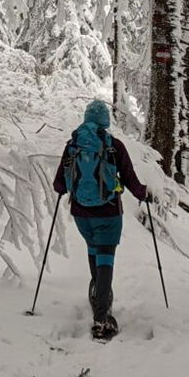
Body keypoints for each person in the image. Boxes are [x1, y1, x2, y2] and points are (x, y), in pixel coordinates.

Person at [51, 99, 149, 339]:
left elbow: (58, 184)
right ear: (105, 121)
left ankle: (98, 294)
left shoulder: (73, 145)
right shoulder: (114, 146)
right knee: (106, 257)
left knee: (94, 250)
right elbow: (130, 179)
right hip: (108, 212)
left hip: (81, 214)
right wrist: (143, 193)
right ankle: (102, 318)